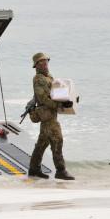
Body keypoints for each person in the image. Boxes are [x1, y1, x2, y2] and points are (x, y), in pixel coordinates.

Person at [28, 52, 75, 180]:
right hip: (47, 114)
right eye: (41, 62)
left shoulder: (48, 76)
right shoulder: (38, 78)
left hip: (51, 114)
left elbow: (55, 93)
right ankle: (60, 170)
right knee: (57, 139)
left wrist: (66, 100)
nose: (45, 63)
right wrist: (60, 105)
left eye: (46, 61)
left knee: (42, 143)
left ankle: (34, 169)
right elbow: (43, 98)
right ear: (36, 65)